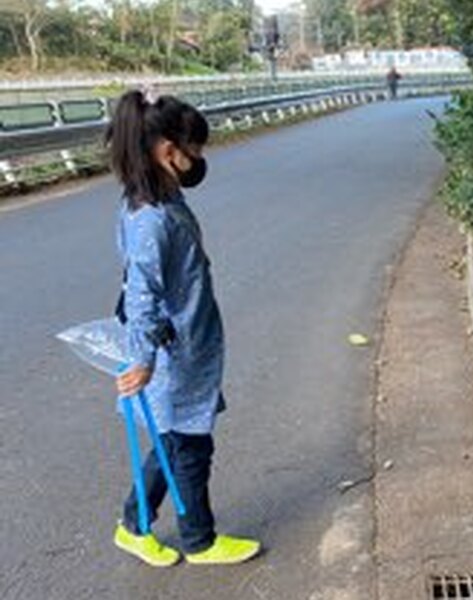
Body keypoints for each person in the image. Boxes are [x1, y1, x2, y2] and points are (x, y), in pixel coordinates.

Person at [106, 90, 261, 566]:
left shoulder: (158, 199)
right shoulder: (152, 219)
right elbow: (142, 292)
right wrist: (143, 360)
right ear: (169, 152)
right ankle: (199, 539)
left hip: (188, 349)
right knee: (189, 448)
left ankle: (134, 525)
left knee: (175, 444)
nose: (201, 159)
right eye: (196, 150)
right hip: (172, 358)